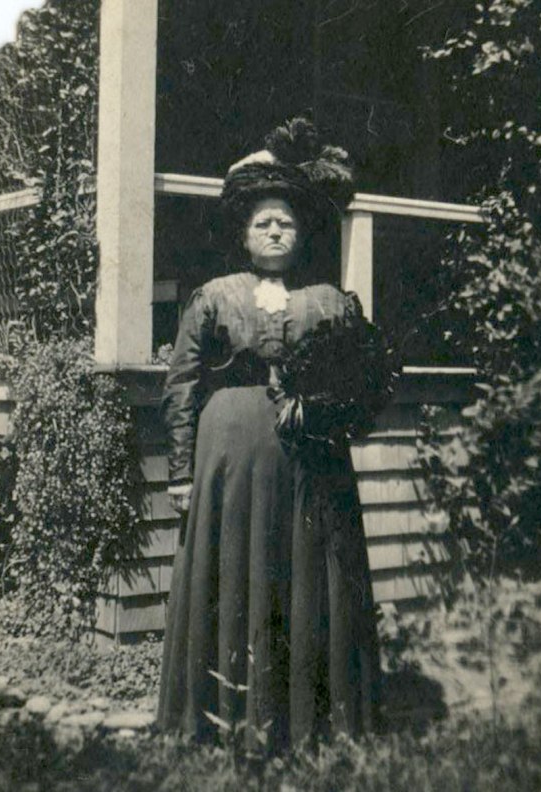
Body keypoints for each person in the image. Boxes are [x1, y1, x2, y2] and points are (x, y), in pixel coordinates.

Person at [157, 119, 395, 752]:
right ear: (243, 233)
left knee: (309, 572)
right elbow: (181, 384)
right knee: (235, 572)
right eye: (262, 222)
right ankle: (222, 717)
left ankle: (312, 718)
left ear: (302, 232)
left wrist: (339, 412)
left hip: (310, 461)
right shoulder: (214, 297)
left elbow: (361, 377)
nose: (274, 231)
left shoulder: (330, 300)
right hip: (229, 461)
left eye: (285, 222)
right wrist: (180, 473)